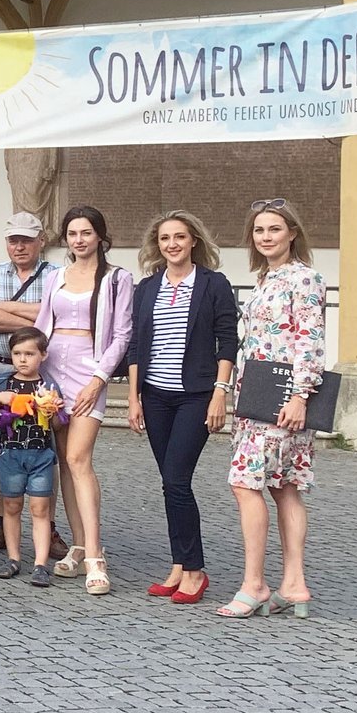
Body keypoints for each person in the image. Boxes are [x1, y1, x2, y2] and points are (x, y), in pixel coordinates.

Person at [217, 199, 324, 620]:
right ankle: (294, 584)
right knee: (284, 486)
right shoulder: (265, 278)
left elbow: (309, 340)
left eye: (274, 229)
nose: (265, 237)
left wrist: (300, 395)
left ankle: (254, 583)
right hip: (257, 395)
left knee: (246, 484)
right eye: (259, 230)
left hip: (283, 397)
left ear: (292, 233)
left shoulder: (304, 278)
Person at [126, 210, 237, 605]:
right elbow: (137, 347)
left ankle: (195, 570)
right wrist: (134, 398)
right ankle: (179, 564)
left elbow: (228, 341)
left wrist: (220, 393)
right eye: (164, 238)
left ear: (194, 241)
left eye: (179, 237)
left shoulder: (213, 284)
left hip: (196, 395)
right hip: (156, 396)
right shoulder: (147, 288)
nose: (172, 244)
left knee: (176, 479)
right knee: (170, 483)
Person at [34, 205, 133, 597]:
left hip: (91, 368)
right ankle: (77, 544)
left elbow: (122, 333)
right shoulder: (55, 277)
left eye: (86, 232)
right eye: (72, 233)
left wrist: (99, 378)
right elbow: (44, 324)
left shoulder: (116, 279)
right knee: (63, 460)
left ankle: (95, 554)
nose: (79, 239)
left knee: (79, 458)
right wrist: (34, 374)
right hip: (54, 368)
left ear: (99, 236)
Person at [0, 213, 66, 561]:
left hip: (44, 370)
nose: (20, 246)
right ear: (6, 242)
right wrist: (35, 318)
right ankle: (1, 521)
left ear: (41, 240)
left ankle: (49, 525)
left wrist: (7, 307)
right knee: (1, 442)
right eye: (14, 240)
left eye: (26, 239)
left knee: (47, 442)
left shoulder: (56, 274)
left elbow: (57, 315)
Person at [0, 328, 64, 586]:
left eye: (29, 353)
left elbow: (59, 427)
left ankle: (40, 564)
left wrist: (54, 411)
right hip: (11, 454)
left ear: (43, 355)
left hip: (41, 455)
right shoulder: (2, 384)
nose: (23, 359)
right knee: (11, 506)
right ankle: (13, 558)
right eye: (17, 353)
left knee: (40, 508)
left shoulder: (49, 386)